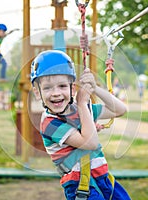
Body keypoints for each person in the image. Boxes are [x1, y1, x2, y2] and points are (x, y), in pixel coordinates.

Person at [31, 50, 131, 200]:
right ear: (37, 92)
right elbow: (90, 143)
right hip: (81, 187)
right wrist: (83, 104)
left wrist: (94, 88)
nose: (56, 93)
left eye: (62, 86)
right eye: (47, 88)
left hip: (102, 178)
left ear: (72, 89)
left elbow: (120, 110)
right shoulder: (49, 123)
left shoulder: (80, 110)